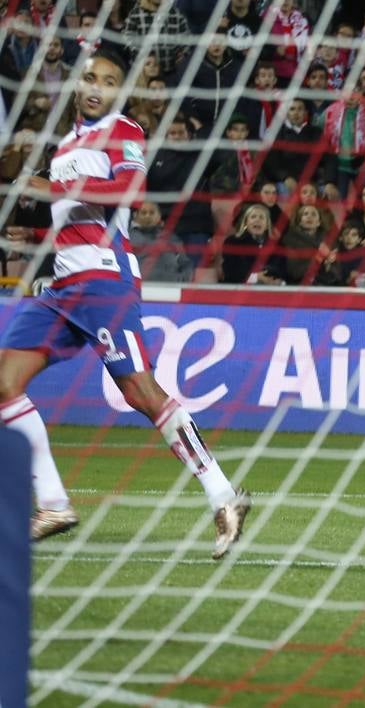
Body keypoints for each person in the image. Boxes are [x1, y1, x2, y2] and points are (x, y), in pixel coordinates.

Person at [0, 48, 250, 557]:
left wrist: (58, 185)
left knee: (141, 391)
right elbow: (69, 208)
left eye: (109, 80)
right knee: (4, 383)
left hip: (103, 283)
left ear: (119, 91)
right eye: (90, 77)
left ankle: (224, 494)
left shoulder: (123, 129)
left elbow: (133, 189)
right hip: (63, 288)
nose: (97, 86)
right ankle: (52, 504)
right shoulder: (67, 142)